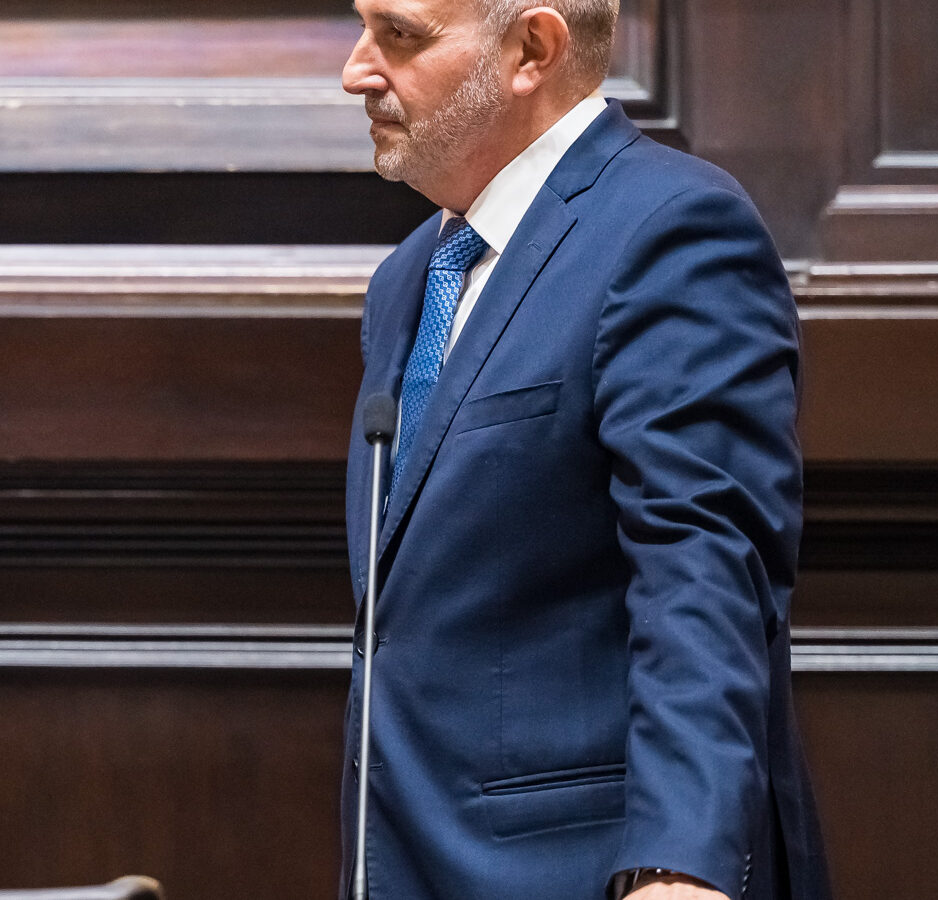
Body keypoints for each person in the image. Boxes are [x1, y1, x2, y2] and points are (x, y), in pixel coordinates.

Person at [337, 1, 832, 898]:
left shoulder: (671, 229)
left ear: (532, 48)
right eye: (363, 27)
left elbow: (704, 568)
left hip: (592, 872)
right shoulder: (412, 275)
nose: (356, 70)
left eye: (400, 35)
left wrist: (679, 862)